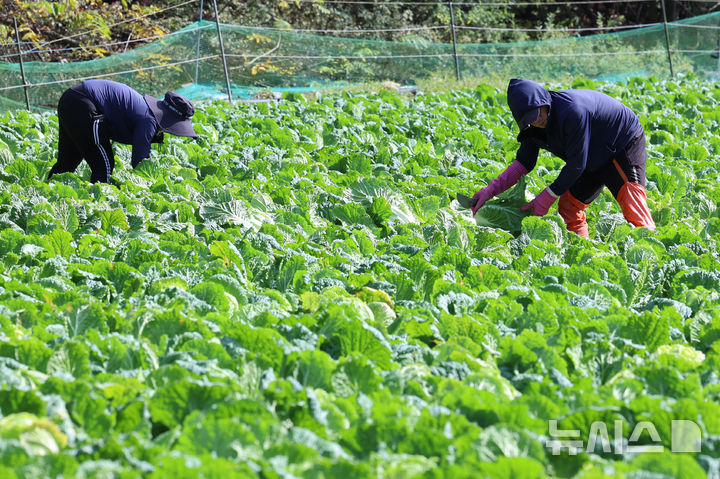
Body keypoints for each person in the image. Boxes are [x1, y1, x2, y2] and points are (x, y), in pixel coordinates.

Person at [470, 78, 655, 238]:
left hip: (620, 142)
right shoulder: (532, 128)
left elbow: (576, 165)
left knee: (631, 200)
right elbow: (523, 163)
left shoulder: (572, 111)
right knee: (568, 205)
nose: (538, 120)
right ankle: (582, 250)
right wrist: (491, 190)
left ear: (544, 101)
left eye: (538, 112)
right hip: (588, 156)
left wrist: (546, 197)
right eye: (531, 119)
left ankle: (652, 253)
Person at [48, 79, 197, 183]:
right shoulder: (148, 120)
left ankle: (49, 192)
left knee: (67, 162)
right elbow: (140, 162)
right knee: (103, 166)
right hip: (84, 103)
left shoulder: (147, 113)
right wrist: (151, 185)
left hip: (70, 98)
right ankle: (99, 205)